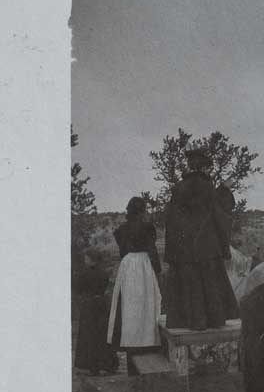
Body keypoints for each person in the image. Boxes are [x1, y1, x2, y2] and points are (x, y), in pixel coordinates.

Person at [164, 144, 239, 330]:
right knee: (209, 284)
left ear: (189, 166)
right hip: (207, 247)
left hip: (184, 249)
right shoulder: (207, 187)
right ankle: (212, 321)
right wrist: (224, 190)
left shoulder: (178, 188)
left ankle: (189, 322)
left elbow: (171, 219)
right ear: (204, 167)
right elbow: (219, 212)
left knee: (189, 286)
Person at [107, 197, 163, 375]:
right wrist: (157, 270)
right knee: (147, 305)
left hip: (128, 266)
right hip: (144, 266)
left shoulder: (121, 230)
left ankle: (131, 345)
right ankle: (146, 343)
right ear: (143, 210)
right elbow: (152, 250)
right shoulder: (147, 228)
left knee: (129, 307)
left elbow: (123, 250)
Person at [73, 248, 118, 375]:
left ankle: (93, 367)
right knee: (102, 334)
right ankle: (108, 365)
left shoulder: (84, 274)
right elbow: (104, 288)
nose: (85, 260)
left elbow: (78, 289)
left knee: (89, 335)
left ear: (92, 260)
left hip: (89, 305)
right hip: (101, 304)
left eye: (87, 258)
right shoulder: (104, 273)